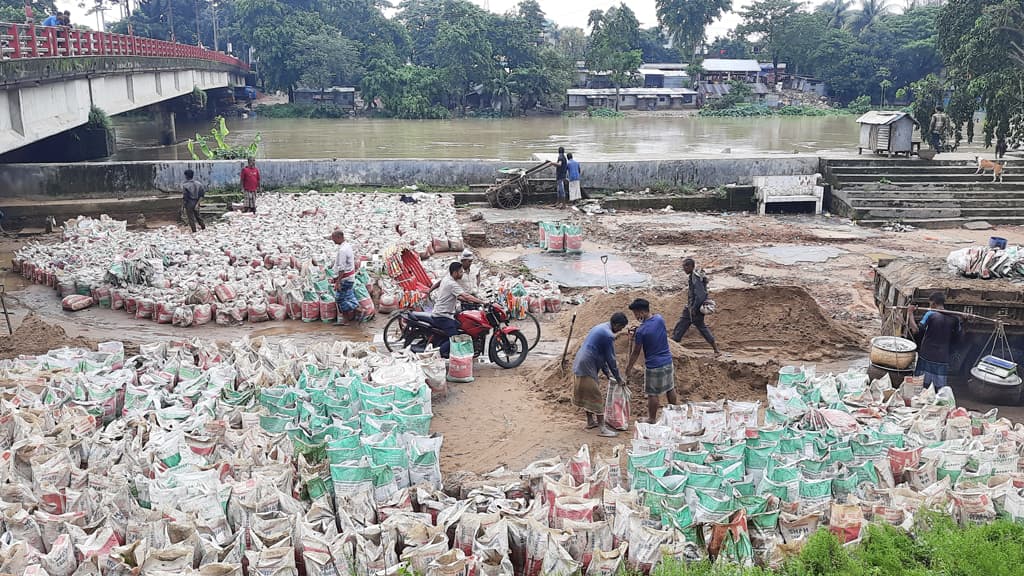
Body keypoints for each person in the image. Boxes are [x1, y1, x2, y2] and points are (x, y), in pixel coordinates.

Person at [572, 312, 628, 438]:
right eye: (621, 328)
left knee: (588, 394)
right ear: (617, 324)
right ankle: (603, 428)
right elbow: (611, 359)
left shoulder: (601, 327)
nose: (620, 330)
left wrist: (607, 373)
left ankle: (590, 421)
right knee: (596, 396)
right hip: (586, 364)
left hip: (581, 361)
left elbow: (601, 355)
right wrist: (619, 378)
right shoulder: (608, 335)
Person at [625, 298, 678, 424]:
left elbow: (636, 352)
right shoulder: (659, 319)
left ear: (642, 312)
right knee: (670, 387)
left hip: (654, 365)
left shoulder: (642, 331)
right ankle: (675, 412)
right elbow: (652, 329)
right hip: (667, 360)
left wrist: (628, 368)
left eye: (636, 314)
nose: (636, 316)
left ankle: (652, 419)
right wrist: (639, 329)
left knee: (652, 393)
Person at [430, 262, 486, 358]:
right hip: (443, 316)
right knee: (456, 338)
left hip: (443, 313)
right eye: (460, 272)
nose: (462, 274)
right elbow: (466, 295)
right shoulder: (452, 284)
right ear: (455, 273)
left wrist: (470, 301)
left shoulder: (446, 279)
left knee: (463, 329)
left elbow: (458, 296)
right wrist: (483, 302)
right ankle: (438, 353)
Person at [907, 293, 962, 390]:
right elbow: (959, 335)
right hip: (942, 356)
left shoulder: (931, 314)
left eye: (930, 304)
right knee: (939, 389)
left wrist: (910, 313)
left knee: (920, 385)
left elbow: (915, 330)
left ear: (933, 303)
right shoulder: (955, 318)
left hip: (927, 354)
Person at [672, 258, 720, 355]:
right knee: (681, 325)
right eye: (683, 267)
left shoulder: (695, 278)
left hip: (694, 309)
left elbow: (700, 295)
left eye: (686, 266)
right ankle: (673, 345)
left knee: (701, 327)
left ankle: (716, 349)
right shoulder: (693, 276)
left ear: (691, 266)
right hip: (690, 307)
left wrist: (694, 308)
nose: (684, 269)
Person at [330, 230, 359, 325]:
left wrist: (338, 282)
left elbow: (342, 268)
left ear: (339, 237)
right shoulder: (347, 246)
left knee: (340, 299)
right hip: (350, 277)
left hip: (345, 279)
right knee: (348, 297)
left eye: (333, 238)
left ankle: (357, 312)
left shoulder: (342, 250)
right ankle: (350, 317)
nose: (333, 241)